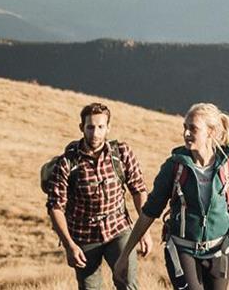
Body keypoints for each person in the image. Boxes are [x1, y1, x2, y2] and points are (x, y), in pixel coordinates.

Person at [116, 103, 229, 289]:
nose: (186, 133)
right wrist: (125, 254)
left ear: (211, 132)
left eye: (193, 128)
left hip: (220, 250)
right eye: (185, 127)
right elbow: (149, 211)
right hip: (182, 250)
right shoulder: (173, 167)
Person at [45, 102, 153, 290]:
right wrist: (69, 245)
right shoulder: (67, 163)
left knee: (128, 283)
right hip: (83, 235)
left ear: (108, 128)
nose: (95, 133)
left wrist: (144, 231)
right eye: (90, 127)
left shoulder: (121, 153)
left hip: (118, 228)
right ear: (82, 128)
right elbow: (55, 206)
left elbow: (138, 190)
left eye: (101, 127)